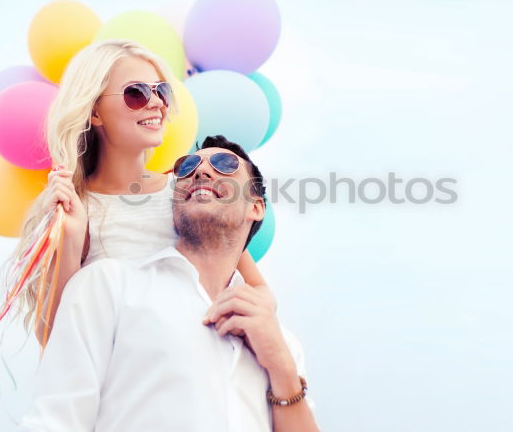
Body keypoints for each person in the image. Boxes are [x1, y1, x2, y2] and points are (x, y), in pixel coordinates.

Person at [18, 136, 318, 432]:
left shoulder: (284, 345)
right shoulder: (107, 286)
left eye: (224, 164)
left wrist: (282, 369)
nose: (201, 172)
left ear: (256, 207)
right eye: (186, 167)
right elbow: (55, 420)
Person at [9, 39, 274, 343]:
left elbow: (260, 292)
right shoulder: (75, 210)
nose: (158, 103)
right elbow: (55, 341)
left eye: (161, 91)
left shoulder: (186, 193)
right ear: (95, 112)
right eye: (136, 93)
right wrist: (71, 237)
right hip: (130, 382)